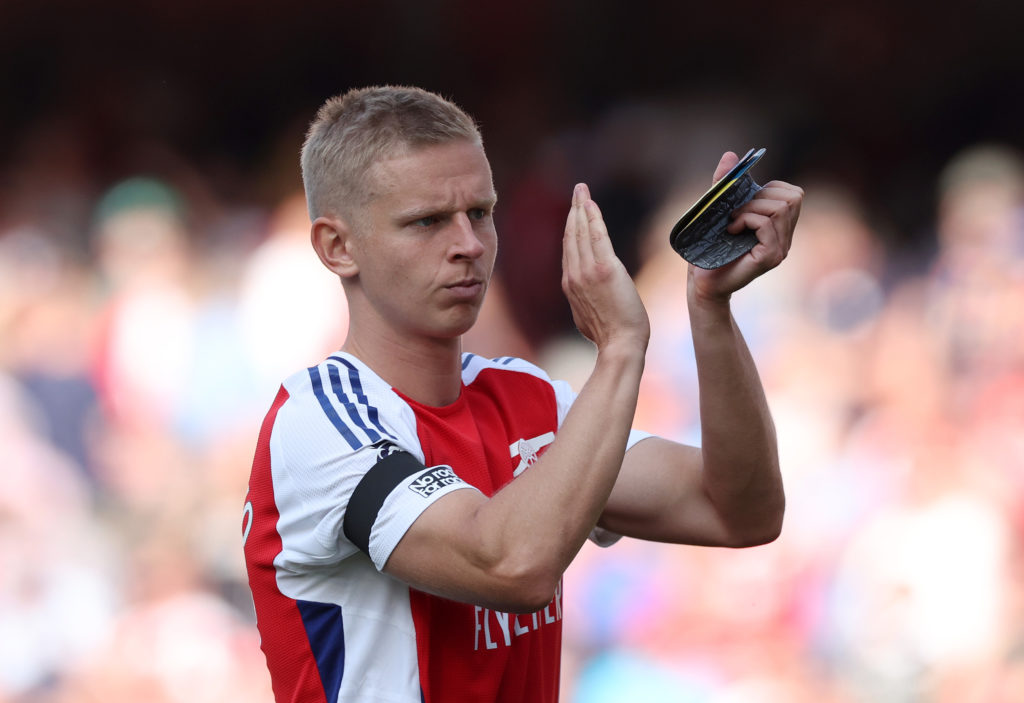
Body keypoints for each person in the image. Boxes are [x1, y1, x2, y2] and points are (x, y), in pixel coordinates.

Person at [242, 85, 802, 703]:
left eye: (479, 212)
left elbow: (740, 511)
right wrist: (619, 349)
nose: (470, 245)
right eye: (427, 221)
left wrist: (711, 308)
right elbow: (509, 565)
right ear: (337, 247)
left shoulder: (526, 397)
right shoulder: (319, 420)